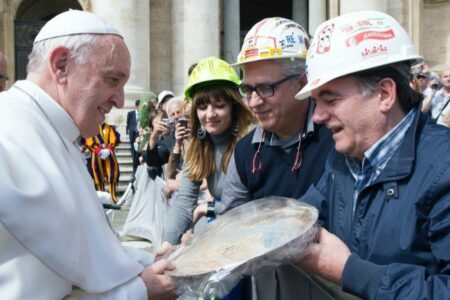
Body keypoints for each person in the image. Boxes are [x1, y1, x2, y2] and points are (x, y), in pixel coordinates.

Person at [0, 10, 175, 299]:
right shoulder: (10, 137)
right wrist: (140, 292)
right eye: (112, 80)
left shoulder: (55, 132)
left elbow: (79, 252)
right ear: (61, 65)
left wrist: (152, 261)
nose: (120, 100)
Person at [294, 11, 450, 299]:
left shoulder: (443, 169)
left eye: (331, 99)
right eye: (316, 102)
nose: (317, 116)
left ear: (385, 94)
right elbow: (302, 217)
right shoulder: (342, 158)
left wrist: (348, 271)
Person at [219, 17, 334, 299]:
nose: (254, 101)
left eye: (266, 88)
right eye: (248, 89)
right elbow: (230, 227)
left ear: (303, 82)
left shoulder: (337, 137)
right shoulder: (245, 152)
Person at [163, 56, 255, 245]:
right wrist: (166, 245)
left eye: (219, 106)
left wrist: (210, 208)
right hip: (224, 236)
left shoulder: (251, 142)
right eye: (203, 107)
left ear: (233, 107)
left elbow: (253, 207)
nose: (210, 114)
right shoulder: (200, 146)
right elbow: (184, 200)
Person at [82, 122, 121, 202]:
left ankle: (113, 196)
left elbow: (113, 139)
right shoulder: (91, 128)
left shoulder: (109, 128)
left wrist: (109, 149)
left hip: (109, 153)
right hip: (97, 154)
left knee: (112, 174)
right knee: (98, 175)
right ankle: (102, 197)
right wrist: (98, 150)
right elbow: (89, 141)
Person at [126, 99, 141, 174]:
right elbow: (128, 124)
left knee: (140, 156)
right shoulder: (130, 114)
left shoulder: (144, 114)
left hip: (141, 136)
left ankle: (139, 172)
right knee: (134, 156)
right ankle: (134, 172)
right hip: (133, 136)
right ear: (137, 106)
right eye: (140, 106)